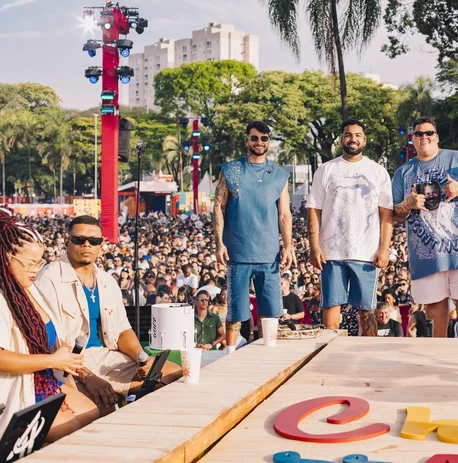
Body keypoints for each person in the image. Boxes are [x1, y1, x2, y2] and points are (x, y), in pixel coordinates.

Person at [35, 215, 182, 415]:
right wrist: (88, 376)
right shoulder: (50, 278)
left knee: (175, 375)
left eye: (93, 241)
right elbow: (55, 343)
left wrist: (143, 360)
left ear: (101, 245)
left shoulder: (106, 281)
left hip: (108, 357)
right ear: (67, 240)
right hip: (72, 364)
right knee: (101, 409)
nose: (86, 245)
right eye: (79, 239)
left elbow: (122, 331)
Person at [0, 209, 100, 441]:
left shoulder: (28, 288)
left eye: (40, 262)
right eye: (29, 263)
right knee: (76, 433)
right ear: (5, 258)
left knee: (94, 415)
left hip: (43, 381)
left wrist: (62, 352)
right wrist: (52, 360)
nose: (36, 269)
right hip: (17, 389)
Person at [392, 117, 458, 338]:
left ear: (437, 137)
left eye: (429, 133)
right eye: (419, 134)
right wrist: (408, 204)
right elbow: (395, 214)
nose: (424, 137)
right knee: (434, 306)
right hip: (426, 256)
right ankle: (440, 356)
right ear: (412, 140)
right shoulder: (403, 172)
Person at [307, 119, 394, 336]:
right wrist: (314, 246)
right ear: (342, 139)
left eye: (357, 135)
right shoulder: (326, 169)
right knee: (331, 305)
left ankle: (370, 357)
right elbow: (314, 210)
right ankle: (329, 354)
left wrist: (384, 248)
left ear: (364, 140)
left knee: (367, 310)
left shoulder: (378, 171)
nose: (352, 139)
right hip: (331, 252)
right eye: (348, 135)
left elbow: (386, 215)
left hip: (366, 253)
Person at [214, 121, 292, 353]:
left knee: (270, 312)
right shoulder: (231, 170)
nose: (260, 142)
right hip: (237, 251)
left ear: (269, 141)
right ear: (247, 140)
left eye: (264, 138)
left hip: (269, 254)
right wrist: (218, 242)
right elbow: (218, 205)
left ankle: (269, 352)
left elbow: (285, 213)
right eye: (255, 138)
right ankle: (229, 354)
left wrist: (288, 246)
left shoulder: (279, 175)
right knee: (235, 311)